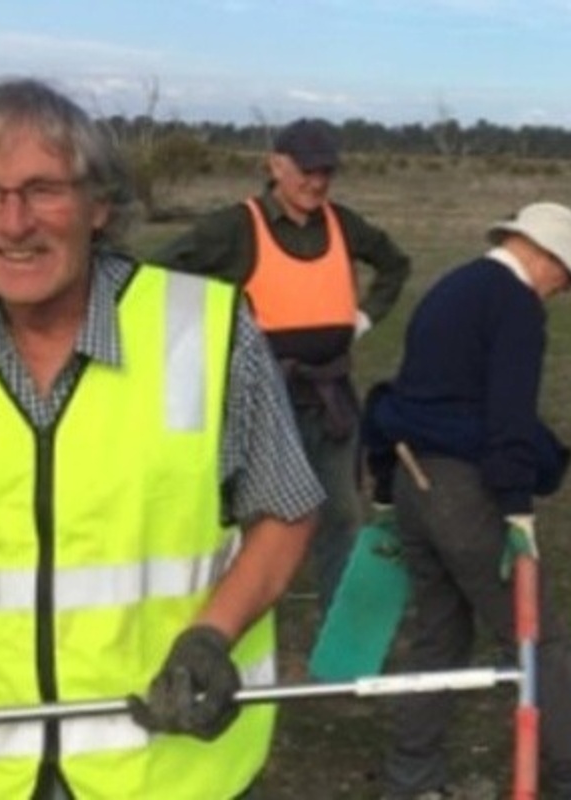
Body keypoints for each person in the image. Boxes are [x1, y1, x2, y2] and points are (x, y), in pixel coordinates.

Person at [0, 78, 322, 798]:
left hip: (163, 771)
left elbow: (287, 509)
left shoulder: (203, 329)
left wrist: (213, 634)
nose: (13, 223)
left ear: (99, 204)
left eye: (44, 189)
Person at [361, 203, 571, 799]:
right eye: (568, 276)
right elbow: (509, 416)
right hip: (459, 493)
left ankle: (411, 780)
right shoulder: (515, 305)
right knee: (537, 637)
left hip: (410, 480)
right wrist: (517, 508)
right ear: (542, 255)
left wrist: (383, 489)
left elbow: (412, 391)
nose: (566, 290)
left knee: (440, 635)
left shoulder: (453, 285)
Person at [152, 117, 412, 619]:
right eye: (306, 171)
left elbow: (394, 264)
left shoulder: (343, 223)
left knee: (342, 514)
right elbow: (160, 275)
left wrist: (364, 317)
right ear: (276, 165)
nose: (316, 183)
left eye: (326, 173)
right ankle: (234, 618)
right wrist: (212, 339)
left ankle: (341, 626)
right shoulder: (234, 227)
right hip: (263, 398)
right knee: (261, 517)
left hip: (331, 398)